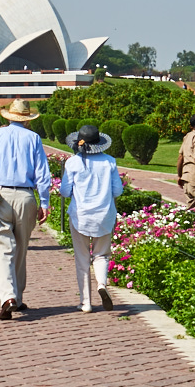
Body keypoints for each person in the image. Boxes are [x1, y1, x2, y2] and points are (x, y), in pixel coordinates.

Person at [0, 98, 51, 320]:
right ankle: (16, 297)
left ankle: (8, 296)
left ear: (9, 116)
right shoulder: (33, 138)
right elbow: (42, 173)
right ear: (27, 119)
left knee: (2, 248)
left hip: (0, 195)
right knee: (21, 248)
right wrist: (44, 202)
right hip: (26, 196)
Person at [59, 125, 124, 313]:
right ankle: (102, 284)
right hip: (104, 215)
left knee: (82, 259)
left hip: (80, 216)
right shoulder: (109, 161)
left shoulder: (73, 162)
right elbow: (118, 190)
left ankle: (86, 302)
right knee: (101, 255)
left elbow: (65, 191)